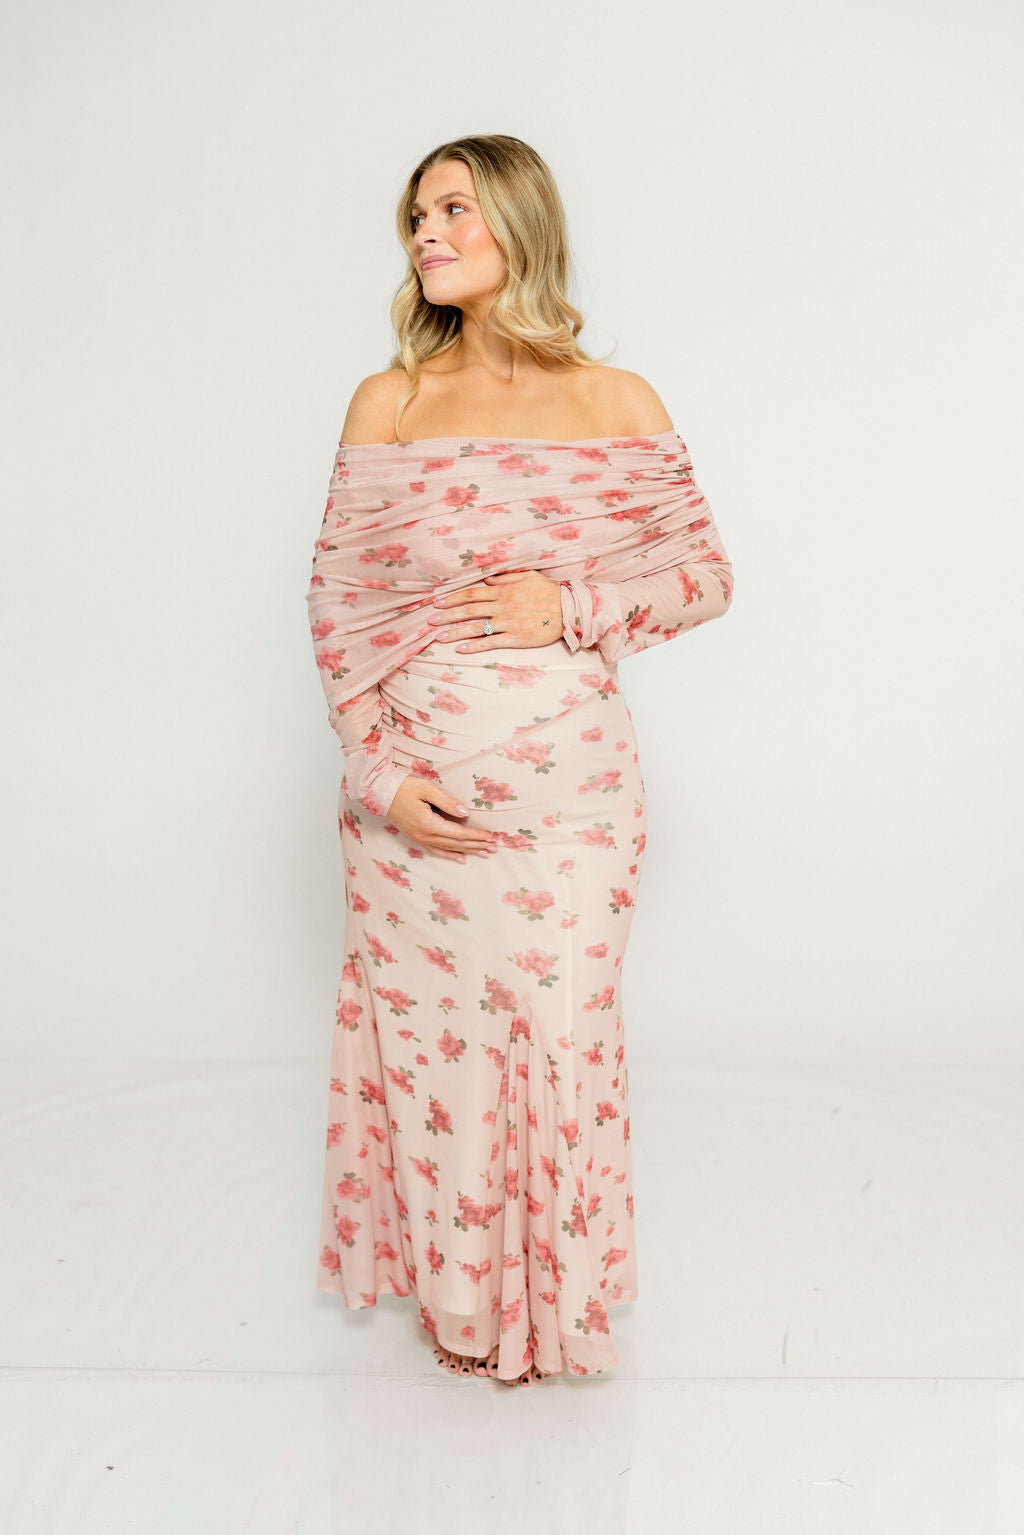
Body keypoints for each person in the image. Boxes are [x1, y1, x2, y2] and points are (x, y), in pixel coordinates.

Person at [306, 133, 735, 1387]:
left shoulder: (617, 401)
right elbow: (338, 607)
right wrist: (376, 775)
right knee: (441, 1054)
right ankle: (463, 1310)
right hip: (414, 812)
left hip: (572, 807)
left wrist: (573, 605)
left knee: (559, 1033)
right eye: (416, 215)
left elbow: (706, 575)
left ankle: (556, 1309)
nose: (425, 234)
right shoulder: (389, 403)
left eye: (452, 208)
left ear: (517, 221)